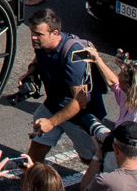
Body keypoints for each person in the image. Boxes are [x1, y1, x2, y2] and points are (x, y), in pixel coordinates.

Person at [24, 11, 102, 166]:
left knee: (91, 160)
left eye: (38, 34)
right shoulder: (41, 44)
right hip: (52, 106)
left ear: (55, 33)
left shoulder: (74, 55)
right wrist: (31, 71)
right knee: (34, 156)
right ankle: (33, 186)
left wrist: (51, 123)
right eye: (32, 32)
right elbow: (39, 58)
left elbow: (81, 101)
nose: (33, 38)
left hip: (79, 117)